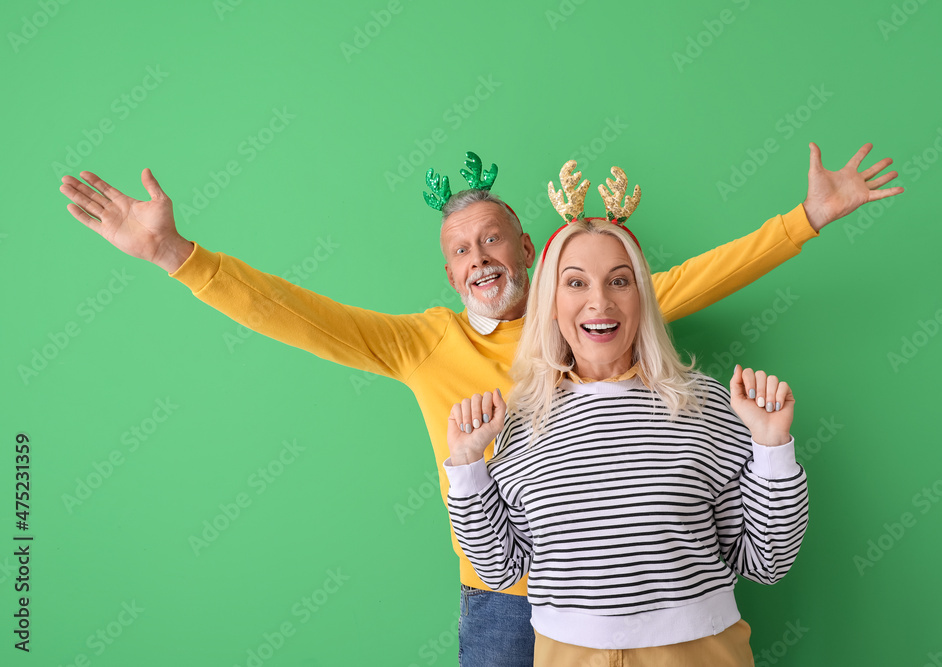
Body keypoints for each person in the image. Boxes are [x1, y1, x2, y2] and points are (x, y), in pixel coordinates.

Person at [57, 145, 896, 666]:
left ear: (532, 251)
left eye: (493, 237)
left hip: (652, 607)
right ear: (450, 274)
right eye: (460, 250)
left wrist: (808, 219)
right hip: (506, 602)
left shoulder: (598, 310)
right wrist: (177, 254)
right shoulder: (422, 343)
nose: (478, 256)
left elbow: (709, 272)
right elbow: (299, 315)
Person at [444, 163, 808, 665]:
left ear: (642, 296)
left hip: (698, 653)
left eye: (619, 281)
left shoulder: (707, 405)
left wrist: (772, 448)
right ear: (551, 302)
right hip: (566, 654)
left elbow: (766, 562)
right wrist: (466, 464)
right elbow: (500, 567)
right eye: (576, 284)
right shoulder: (522, 421)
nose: (599, 302)